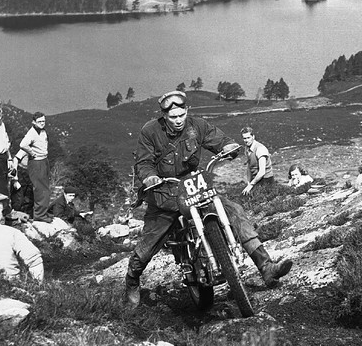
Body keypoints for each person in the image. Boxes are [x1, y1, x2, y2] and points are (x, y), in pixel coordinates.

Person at [125, 91, 292, 306]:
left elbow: (220, 140)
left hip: (194, 186)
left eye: (181, 115)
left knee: (233, 211)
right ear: (164, 116)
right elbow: (143, 162)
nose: (178, 120)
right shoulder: (150, 131)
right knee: (150, 242)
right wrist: (150, 177)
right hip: (165, 191)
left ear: (187, 111)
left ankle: (266, 267)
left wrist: (228, 147)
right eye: (173, 117)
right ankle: (132, 281)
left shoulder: (197, 125)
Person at [15, 112, 51, 223]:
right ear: (33, 122)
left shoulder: (43, 131)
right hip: (36, 162)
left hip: (44, 160)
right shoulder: (31, 133)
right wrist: (32, 153)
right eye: (39, 121)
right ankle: (40, 215)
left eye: (43, 121)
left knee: (45, 188)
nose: (42, 123)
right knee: (40, 189)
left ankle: (43, 212)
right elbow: (22, 144)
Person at [241, 126, 275, 195]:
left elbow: (262, 172)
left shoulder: (260, 149)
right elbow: (249, 166)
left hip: (265, 180)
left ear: (253, 137)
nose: (246, 140)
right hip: (256, 179)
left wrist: (251, 185)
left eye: (248, 138)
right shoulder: (247, 148)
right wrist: (248, 183)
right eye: (244, 138)